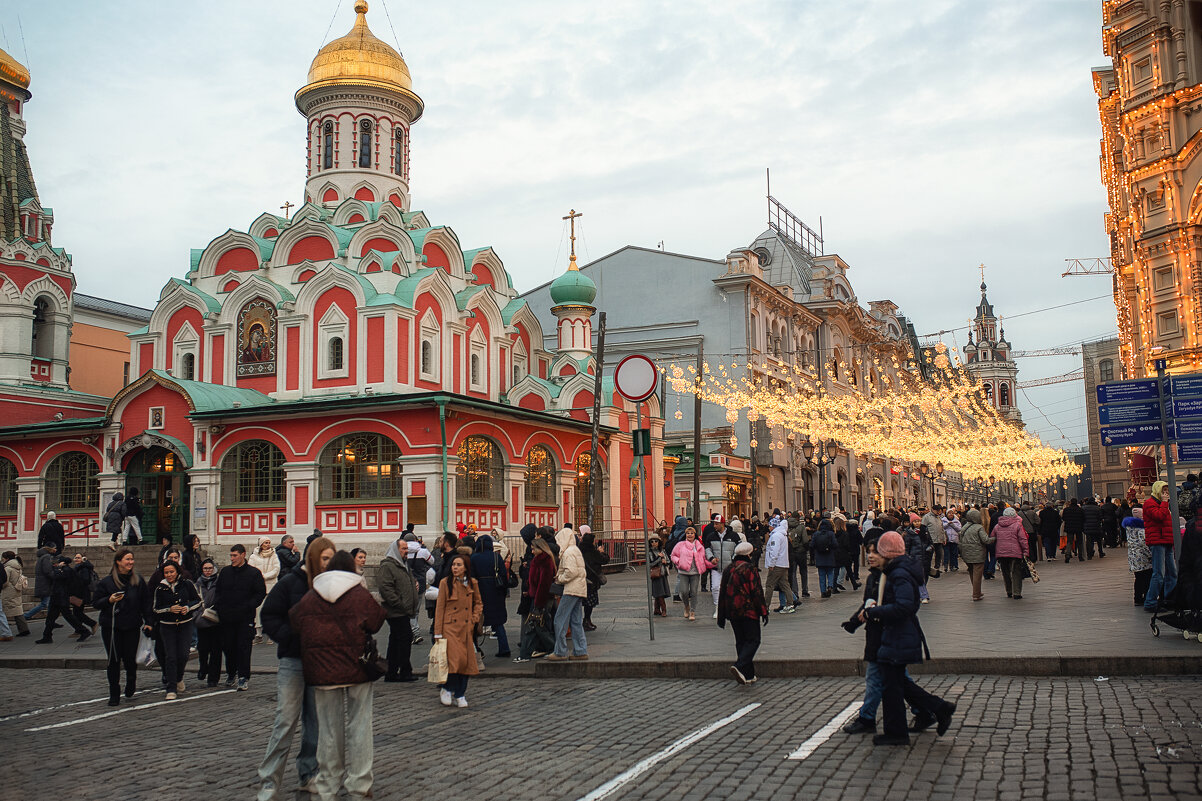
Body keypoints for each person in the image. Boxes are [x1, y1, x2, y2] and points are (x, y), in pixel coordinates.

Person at [290, 550, 387, 801]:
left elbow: (295, 620)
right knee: (360, 726)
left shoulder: (312, 595)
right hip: (357, 668)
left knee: (329, 732)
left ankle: (327, 786)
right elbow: (376, 621)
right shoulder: (358, 593)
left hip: (321, 671)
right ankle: (359, 784)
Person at [257, 536, 335, 801]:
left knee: (315, 722)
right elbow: (269, 615)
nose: (328, 564)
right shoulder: (291, 582)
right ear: (313, 558)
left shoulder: (330, 586)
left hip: (320, 662)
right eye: (325, 558)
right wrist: (289, 636)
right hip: (293, 660)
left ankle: (308, 773)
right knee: (286, 720)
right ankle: (269, 780)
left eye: (331, 559)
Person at [861, 532, 955, 746]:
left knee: (892, 685)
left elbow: (905, 606)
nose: (872, 555)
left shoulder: (899, 573)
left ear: (888, 553)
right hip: (896, 634)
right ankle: (938, 709)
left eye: (878, 551)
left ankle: (898, 732)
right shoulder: (896, 570)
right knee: (896, 682)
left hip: (899, 634)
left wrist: (876, 612)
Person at [92, 548, 153, 706]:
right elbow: (96, 603)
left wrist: (149, 621)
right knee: (113, 660)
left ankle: (131, 680)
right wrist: (109, 600)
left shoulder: (138, 581)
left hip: (132, 625)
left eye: (132, 559)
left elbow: (146, 603)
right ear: (118, 562)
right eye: (127, 559)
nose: (130, 562)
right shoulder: (106, 582)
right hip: (112, 627)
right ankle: (114, 692)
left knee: (130, 659)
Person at [433, 552, 483, 706]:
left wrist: (474, 619)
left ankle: (460, 693)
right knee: (454, 661)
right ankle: (447, 689)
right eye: (454, 565)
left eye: (459, 565)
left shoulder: (473, 583)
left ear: (466, 568)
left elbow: (478, 603)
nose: (455, 568)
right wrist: (438, 632)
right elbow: (439, 608)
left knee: (466, 662)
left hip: (466, 627)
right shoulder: (445, 583)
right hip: (450, 627)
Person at [216, 543, 267, 691]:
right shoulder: (225, 572)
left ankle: (243, 676)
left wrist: (248, 606)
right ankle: (231, 672)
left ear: (243, 555)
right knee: (228, 646)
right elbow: (218, 591)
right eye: (231, 555)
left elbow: (259, 593)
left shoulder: (253, 573)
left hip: (245, 618)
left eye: (235, 555)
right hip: (227, 618)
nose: (232, 558)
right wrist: (220, 607)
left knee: (243, 647)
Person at [718, 541, 768, 684]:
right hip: (748, 610)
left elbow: (722, 592)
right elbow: (756, 592)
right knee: (753, 640)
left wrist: (721, 615)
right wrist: (763, 611)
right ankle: (739, 665)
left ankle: (748, 674)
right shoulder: (750, 569)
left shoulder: (729, 568)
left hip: (732, 611)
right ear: (749, 554)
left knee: (741, 641)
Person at [150, 561, 201, 699]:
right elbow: (155, 608)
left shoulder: (187, 584)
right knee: (171, 656)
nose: (169, 575)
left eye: (172, 572)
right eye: (166, 572)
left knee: (183, 655)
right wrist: (169, 609)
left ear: (177, 572)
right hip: (167, 625)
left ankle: (178, 677)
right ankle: (171, 688)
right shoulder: (160, 589)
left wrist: (188, 608)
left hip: (185, 624)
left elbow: (198, 601)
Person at [378, 536, 420, 681]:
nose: (406, 551)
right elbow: (386, 588)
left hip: (403, 610)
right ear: (396, 550)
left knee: (396, 641)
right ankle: (404, 671)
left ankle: (391, 672)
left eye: (407, 548)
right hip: (396, 611)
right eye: (403, 549)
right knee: (404, 638)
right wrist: (399, 603)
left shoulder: (403, 564)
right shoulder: (388, 566)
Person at [516, 529, 557, 661]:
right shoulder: (538, 560)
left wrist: (538, 602)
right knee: (537, 627)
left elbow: (543, 584)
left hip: (541, 599)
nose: (532, 551)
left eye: (533, 549)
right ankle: (526, 654)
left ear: (540, 548)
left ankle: (554, 648)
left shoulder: (544, 561)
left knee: (538, 627)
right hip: (537, 597)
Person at [549, 525, 588, 661]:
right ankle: (580, 650)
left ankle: (560, 651)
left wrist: (560, 578)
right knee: (576, 620)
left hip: (571, 589)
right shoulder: (575, 550)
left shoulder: (568, 553)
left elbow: (571, 572)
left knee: (560, 619)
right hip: (579, 589)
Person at [470, 533, 512, 655]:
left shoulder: (474, 557)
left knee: (477, 621)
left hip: (480, 590)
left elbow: (472, 576)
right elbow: (503, 575)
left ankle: (476, 650)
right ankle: (504, 648)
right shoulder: (496, 557)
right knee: (498, 622)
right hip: (495, 591)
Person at [36, 554, 92, 643]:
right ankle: (47, 636)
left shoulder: (66, 570)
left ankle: (84, 631)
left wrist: (57, 568)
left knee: (68, 616)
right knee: (51, 617)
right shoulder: (63, 570)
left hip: (61, 597)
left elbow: (57, 577)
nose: (54, 564)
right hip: (57, 597)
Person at [1143, 481, 1178, 613]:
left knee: (1172, 573)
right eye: (1163, 491)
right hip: (1157, 542)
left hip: (1167, 541)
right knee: (1159, 574)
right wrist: (1164, 502)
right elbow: (1159, 517)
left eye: (1167, 491)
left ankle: (1169, 599)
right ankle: (1150, 602)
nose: (1166, 493)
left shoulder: (1162, 504)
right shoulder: (1149, 504)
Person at [671, 526, 711, 621]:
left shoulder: (699, 546)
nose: (690, 535)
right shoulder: (680, 545)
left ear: (695, 535)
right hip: (683, 571)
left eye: (692, 533)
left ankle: (692, 611)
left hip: (695, 572)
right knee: (684, 592)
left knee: (694, 592)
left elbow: (703, 559)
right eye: (688, 533)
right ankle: (686, 606)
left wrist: (712, 563)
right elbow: (673, 555)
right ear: (686, 534)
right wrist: (679, 561)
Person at [195, 558, 222, 687]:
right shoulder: (198, 583)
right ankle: (203, 668)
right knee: (203, 649)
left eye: (210, 568)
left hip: (216, 619)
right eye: (205, 568)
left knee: (216, 650)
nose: (208, 571)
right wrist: (197, 615)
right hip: (202, 619)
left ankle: (213, 677)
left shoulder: (219, 582)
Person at [249, 536, 281, 642]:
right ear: (261, 544)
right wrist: (258, 578)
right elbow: (251, 569)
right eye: (266, 542)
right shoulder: (254, 557)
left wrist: (264, 576)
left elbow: (276, 569)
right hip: (258, 587)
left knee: (270, 610)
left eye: (269, 542)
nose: (268, 544)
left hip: (271, 586)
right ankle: (258, 634)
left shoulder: (274, 555)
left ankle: (270, 634)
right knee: (258, 610)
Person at [993, 507, 1029, 600]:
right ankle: (1016, 592)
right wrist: (1025, 551)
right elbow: (1023, 539)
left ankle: (1009, 591)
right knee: (1016, 572)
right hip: (1015, 552)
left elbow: (993, 537)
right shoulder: (1018, 525)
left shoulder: (997, 526)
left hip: (1001, 553)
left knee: (1005, 572)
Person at [958, 509, 993, 602]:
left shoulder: (964, 527)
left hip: (966, 553)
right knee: (977, 574)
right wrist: (994, 538)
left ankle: (977, 591)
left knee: (972, 573)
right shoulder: (979, 527)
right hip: (977, 553)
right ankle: (976, 594)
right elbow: (986, 540)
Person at [579, 530, 608, 632]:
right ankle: (587, 620)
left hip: (581, 580)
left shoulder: (579, 551)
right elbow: (605, 560)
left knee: (581, 602)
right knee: (589, 603)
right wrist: (602, 552)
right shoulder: (593, 552)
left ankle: (585, 621)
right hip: (591, 581)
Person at [1123, 507, 1152, 606]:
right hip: (1142, 557)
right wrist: (1150, 554)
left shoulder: (1129, 527)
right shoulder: (1141, 528)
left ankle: (1137, 597)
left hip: (1133, 556)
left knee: (1138, 577)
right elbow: (1144, 542)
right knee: (1146, 577)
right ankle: (1144, 597)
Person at [1, 552, 29, 637]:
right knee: (18, 610)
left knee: (3, 612)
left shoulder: (8, 568)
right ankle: (24, 629)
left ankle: (6, 632)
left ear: (6, 558)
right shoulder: (18, 566)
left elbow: (5, 581)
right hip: (17, 590)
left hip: (8, 591)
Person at [785, 512, 811, 599]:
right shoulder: (801, 527)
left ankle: (795, 592)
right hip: (801, 552)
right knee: (803, 571)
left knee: (793, 573)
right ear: (798, 518)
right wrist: (806, 549)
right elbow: (805, 540)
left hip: (791, 552)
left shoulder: (786, 526)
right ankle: (805, 590)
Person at [812, 518, 839, 599]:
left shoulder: (816, 534)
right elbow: (835, 544)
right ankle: (830, 586)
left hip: (820, 557)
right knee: (830, 573)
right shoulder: (831, 534)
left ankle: (823, 591)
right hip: (829, 556)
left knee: (822, 575)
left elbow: (812, 545)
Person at [647, 535, 671, 617]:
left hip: (663, 573)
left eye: (656, 541)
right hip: (655, 574)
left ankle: (656, 609)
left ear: (659, 542)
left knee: (660, 592)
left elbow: (668, 561)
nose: (654, 543)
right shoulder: (649, 552)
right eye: (652, 542)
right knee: (660, 593)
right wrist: (659, 558)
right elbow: (650, 564)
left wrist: (665, 561)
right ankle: (664, 610)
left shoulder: (662, 550)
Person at [1061, 498, 1085, 563]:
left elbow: (1063, 518)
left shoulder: (1066, 510)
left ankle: (1067, 555)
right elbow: (1083, 518)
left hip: (1069, 527)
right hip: (1078, 527)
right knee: (1079, 542)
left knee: (1069, 542)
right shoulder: (1080, 510)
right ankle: (1080, 556)